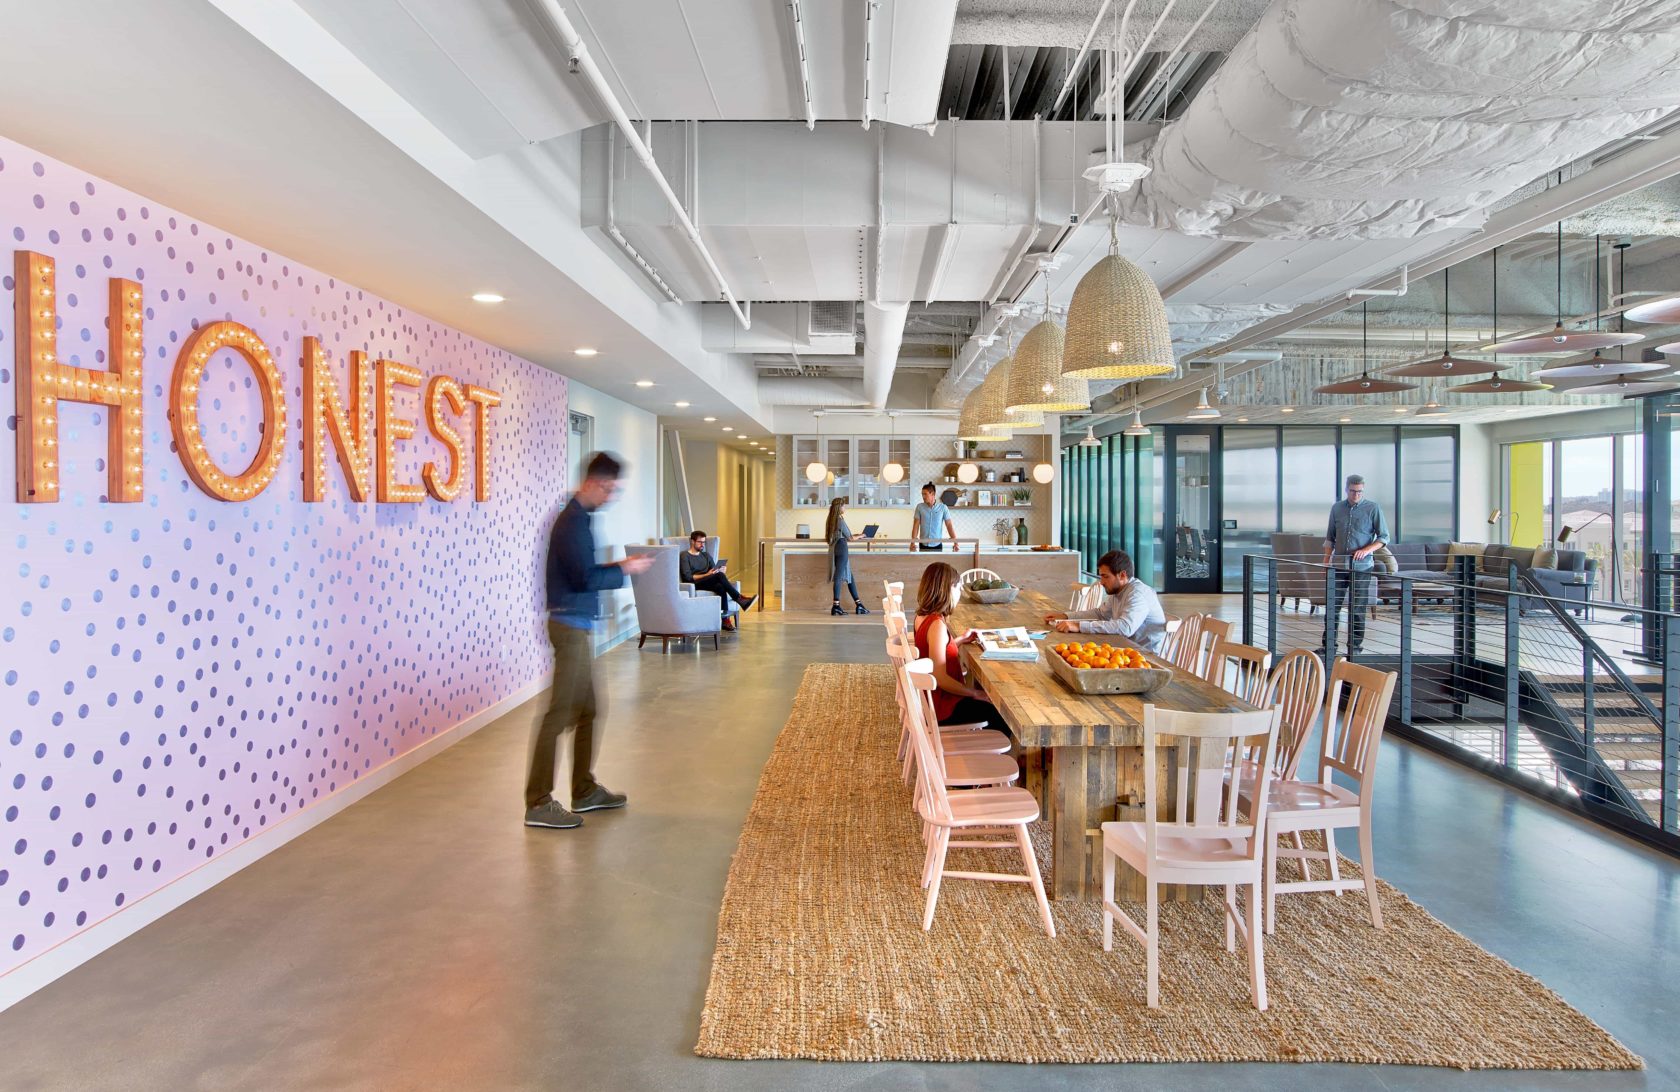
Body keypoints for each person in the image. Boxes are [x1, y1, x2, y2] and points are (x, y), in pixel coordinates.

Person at [525, 452, 655, 830]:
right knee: (559, 715)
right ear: (594, 483)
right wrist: (624, 569)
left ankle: (583, 790)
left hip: (578, 626)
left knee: (589, 710)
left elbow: (584, 572)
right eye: (609, 489)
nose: (611, 497)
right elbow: (584, 578)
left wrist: (619, 568)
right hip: (568, 627)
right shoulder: (571, 523)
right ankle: (538, 802)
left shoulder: (580, 519)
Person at [912, 562, 1003, 729]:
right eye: (959, 588)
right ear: (948, 589)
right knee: (999, 712)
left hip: (930, 699)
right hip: (942, 706)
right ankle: (986, 744)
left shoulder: (922, 616)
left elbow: (934, 652)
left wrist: (960, 640)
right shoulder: (937, 625)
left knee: (987, 701)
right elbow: (940, 678)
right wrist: (974, 693)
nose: (960, 593)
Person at [1042, 549, 1167, 653]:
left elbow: (1125, 628)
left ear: (1122, 575)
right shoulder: (1118, 590)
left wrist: (1079, 626)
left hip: (1145, 657)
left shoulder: (1138, 594)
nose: (1101, 582)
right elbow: (1100, 614)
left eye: (1105, 576)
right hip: (1123, 649)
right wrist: (1066, 616)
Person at [1322, 473, 1391, 657]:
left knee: (1357, 608)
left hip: (1362, 567)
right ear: (1347, 489)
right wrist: (1326, 562)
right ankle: (1328, 647)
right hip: (1338, 566)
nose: (1356, 495)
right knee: (1332, 606)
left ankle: (1355, 648)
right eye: (1353, 491)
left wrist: (1367, 550)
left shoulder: (1373, 508)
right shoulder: (1337, 508)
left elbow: (1384, 537)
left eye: (1359, 492)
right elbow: (1330, 537)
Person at [679, 530, 755, 630]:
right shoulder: (685, 555)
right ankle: (739, 599)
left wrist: (721, 570)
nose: (702, 545)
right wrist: (707, 574)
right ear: (692, 541)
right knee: (719, 576)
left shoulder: (706, 555)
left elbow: (714, 571)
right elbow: (687, 577)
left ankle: (725, 621)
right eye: (700, 542)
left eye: (704, 542)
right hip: (694, 584)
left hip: (708, 581)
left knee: (720, 587)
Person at [826, 496, 870, 616]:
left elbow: (843, 534)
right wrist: (861, 536)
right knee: (839, 577)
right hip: (842, 547)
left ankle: (859, 605)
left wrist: (856, 535)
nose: (845, 508)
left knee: (849, 577)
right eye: (844, 506)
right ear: (839, 507)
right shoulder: (839, 520)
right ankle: (836, 606)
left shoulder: (831, 519)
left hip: (835, 548)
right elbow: (850, 538)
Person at [912, 483, 957, 551]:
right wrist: (912, 542)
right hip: (923, 544)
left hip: (937, 545)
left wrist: (955, 542)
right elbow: (916, 525)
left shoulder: (943, 507)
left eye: (925, 494)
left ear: (932, 494)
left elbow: (949, 525)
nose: (923, 496)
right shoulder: (919, 507)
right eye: (922, 494)